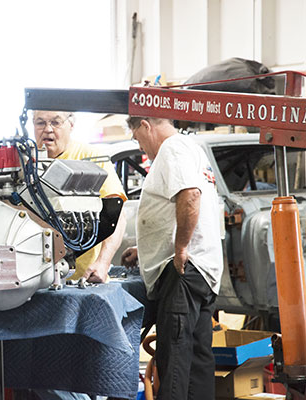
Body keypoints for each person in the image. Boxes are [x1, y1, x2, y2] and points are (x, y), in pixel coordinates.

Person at [121, 117, 223, 400]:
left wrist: (180, 249)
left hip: (183, 273)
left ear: (145, 125)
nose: (139, 145)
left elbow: (190, 196)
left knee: (174, 362)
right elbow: (177, 209)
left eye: (136, 137)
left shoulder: (172, 148)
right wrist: (146, 249)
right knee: (197, 361)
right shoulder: (190, 148)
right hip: (200, 270)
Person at [33, 110, 127, 283]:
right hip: (32, 279)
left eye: (56, 122)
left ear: (71, 125)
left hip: (83, 279)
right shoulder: (24, 163)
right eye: (40, 123)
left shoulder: (91, 158)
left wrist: (103, 263)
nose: (48, 129)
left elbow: (117, 214)